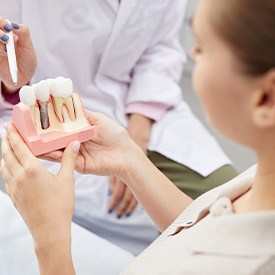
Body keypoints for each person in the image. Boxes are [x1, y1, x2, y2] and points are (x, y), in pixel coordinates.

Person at [1, 0, 275, 273]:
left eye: (201, 49)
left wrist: (50, 236)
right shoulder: (254, 189)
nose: (191, 51)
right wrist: (130, 161)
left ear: (265, 99)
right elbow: (205, 232)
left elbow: (162, 49)